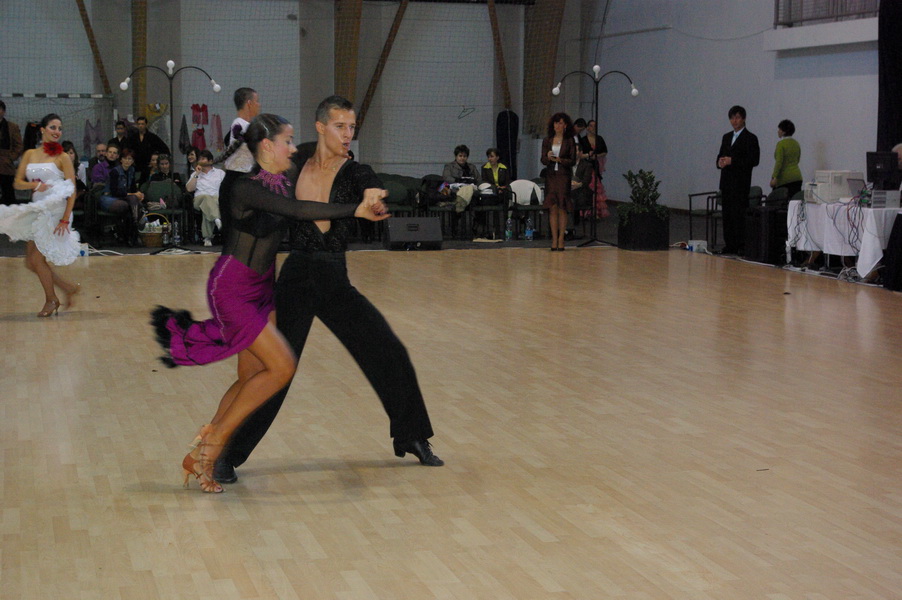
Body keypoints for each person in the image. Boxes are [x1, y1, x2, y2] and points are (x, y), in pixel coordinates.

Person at [150, 113, 389, 493]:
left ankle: (202, 454)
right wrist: (354, 210)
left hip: (262, 287)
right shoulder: (244, 187)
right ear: (266, 146)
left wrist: (364, 180)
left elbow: (316, 154)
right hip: (232, 288)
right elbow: (298, 211)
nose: (292, 148)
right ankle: (210, 448)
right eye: (286, 141)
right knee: (281, 367)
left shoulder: (281, 176)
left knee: (251, 377)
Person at [213, 96, 444, 485]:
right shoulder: (295, 162)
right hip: (296, 276)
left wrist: (372, 193)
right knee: (275, 372)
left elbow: (369, 182)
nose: (348, 134)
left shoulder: (354, 171)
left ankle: (411, 436)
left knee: (388, 350)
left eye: (352, 127)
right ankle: (227, 454)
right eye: (340, 126)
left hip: (334, 277)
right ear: (321, 127)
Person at [0, 113, 82, 316]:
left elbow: (72, 191)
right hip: (39, 208)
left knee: (36, 260)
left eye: (60, 128)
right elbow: (17, 183)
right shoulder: (30, 154)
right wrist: (35, 185)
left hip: (56, 211)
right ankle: (67, 288)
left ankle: (51, 300)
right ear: (42, 129)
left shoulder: (63, 157)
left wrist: (65, 219)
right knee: (30, 262)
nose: (57, 131)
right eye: (53, 127)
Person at [218, 87, 261, 239]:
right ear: (249, 103)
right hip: (235, 182)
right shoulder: (240, 124)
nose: (259, 105)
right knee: (235, 234)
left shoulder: (247, 126)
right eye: (257, 101)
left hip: (243, 181)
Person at [717, 105, 760, 255]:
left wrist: (732, 161)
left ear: (743, 119)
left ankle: (741, 245)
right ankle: (729, 245)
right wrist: (720, 162)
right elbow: (720, 155)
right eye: (732, 118)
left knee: (739, 215)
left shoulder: (751, 138)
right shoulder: (726, 137)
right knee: (727, 216)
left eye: (737, 118)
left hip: (740, 184)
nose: (734, 121)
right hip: (726, 183)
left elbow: (754, 160)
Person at [541, 112, 576, 251]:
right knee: (552, 207)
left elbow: (572, 160)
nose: (558, 125)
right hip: (551, 176)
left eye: (560, 123)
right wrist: (548, 157)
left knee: (562, 207)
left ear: (565, 125)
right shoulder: (547, 140)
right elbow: (543, 160)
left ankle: (561, 238)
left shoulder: (570, 140)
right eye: (556, 123)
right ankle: (554, 239)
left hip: (563, 176)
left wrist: (560, 160)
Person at [102, 149, 145, 245]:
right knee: (125, 205)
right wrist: (132, 194)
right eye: (125, 158)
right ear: (121, 159)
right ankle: (134, 229)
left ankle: (131, 228)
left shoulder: (131, 170)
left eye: (130, 159)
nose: (127, 161)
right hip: (110, 198)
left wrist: (139, 193)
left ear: (133, 161)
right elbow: (114, 192)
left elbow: (133, 188)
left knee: (134, 200)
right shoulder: (115, 172)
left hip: (125, 198)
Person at [186, 149, 225, 246]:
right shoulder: (195, 174)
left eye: (203, 159)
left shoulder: (220, 173)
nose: (200, 161)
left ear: (210, 161)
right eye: (199, 159)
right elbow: (189, 189)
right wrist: (197, 174)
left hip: (216, 200)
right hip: (199, 200)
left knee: (208, 206)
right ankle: (217, 218)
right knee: (206, 198)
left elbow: (226, 188)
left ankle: (207, 238)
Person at [769, 119, 802, 199]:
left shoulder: (781, 144)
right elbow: (797, 160)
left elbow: (779, 162)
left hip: (784, 179)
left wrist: (774, 177)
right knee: (794, 203)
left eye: (779, 129)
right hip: (797, 177)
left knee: (778, 203)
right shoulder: (796, 143)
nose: (778, 131)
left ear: (784, 132)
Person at [132, 116, 170, 183]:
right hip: (137, 166)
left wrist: (157, 159)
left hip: (149, 165)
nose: (140, 126)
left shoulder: (152, 137)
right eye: (139, 124)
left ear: (146, 125)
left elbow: (164, 149)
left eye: (142, 124)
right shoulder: (133, 137)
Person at [0, 101, 24, 205]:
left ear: (3, 111)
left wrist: (10, 158)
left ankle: (10, 213)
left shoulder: (12, 127)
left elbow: (19, 145)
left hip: (6, 165)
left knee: (8, 193)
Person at [60, 141, 87, 211]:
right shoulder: (58, 168)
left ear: (75, 155)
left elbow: (84, 186)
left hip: (77, 195)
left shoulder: (81, 167)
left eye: (71, 153)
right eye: (66, 153)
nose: (69, 155)